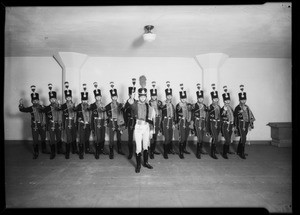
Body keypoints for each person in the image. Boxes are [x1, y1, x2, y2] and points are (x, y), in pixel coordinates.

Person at [124, 75, 154, 173]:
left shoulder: (148, 105)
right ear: (139, 96)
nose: (143, 98)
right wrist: (131, 98)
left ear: (146, 96)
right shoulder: (135, 104)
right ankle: (138, 165)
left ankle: (145, 162)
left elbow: (150, 118)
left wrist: (151, 130)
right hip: (138, 128)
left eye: (144, 96)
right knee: (138, 147)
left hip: (146, 127)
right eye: (141, 96)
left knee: (145, 146)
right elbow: (131, 104)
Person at [19, 85, 48, 159]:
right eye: (34, 101)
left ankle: (44, 150)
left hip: (42, 125)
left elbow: (47, 110)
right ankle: (36, 152)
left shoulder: (42, 107)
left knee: (43, 138)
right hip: (35, 126)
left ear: (39, 100)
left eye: (37, 100)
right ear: (32, 101)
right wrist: (21, 104)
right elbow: (23, 110)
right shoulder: (31, 108)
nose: (35, 102)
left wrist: (43, 106)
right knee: (35, 140)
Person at [41, 83, 64, 159]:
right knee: (52, 139)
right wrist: (41, 106)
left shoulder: (59, 107)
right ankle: (53, 152)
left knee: (59, 137)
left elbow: (61, 110)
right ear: (49, 100)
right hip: (51, 125)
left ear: (56, 99)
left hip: (58, 124)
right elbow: (42, 111)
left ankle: (59, 150)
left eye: (54, 99)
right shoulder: (47, 108)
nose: (53, 100)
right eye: (51, 99)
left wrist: (60, 105)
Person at [234, 84, 255, 159]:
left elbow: (250, 115)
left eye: (244, 100)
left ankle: (239, 151)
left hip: (246, 124)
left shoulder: (247, 107)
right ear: (239, 100)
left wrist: (250, 124)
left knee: (243, 137)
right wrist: (240, 111)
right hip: (240, 124)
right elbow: (235, 115)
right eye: (242, 100)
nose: (243, 101)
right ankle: (241, 153)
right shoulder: (237, 107)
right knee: (243, 138)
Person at [105, 82, 126, 159]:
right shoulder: (108, 106)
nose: (114, 98)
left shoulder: (120, 104)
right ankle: (111, 152)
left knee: (119, 137)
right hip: (112, 123)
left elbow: (123, 111)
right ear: (111, 97)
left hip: (119, 123)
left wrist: (123, 104)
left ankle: (119, 150)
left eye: (115, 96)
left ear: (117, 97)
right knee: (111, 138)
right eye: (113, 97)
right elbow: (104, 112)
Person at [190, 83, 208, 159]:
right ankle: (198, 152)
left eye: (202, 98)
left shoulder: (204, 105)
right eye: (199, 98)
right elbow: (191, 111)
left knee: (202, 136)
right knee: (199, 137)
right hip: (197, 122)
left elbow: (207, 113)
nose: (201, 99)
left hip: (203, 122)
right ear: (197, 98)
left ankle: (200, 150)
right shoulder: (195, 105)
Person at [90, 82, 108, 159]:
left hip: (102, 121)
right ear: (95, 97)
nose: (98, 98)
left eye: (99, 96)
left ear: (101, 97)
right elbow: (91, 115)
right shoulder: (93, 105)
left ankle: (101, 149)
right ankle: (97, 152)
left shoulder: (103, 104)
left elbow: (105, 114)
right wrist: (92, 126)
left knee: (102, 136)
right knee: (97, 137)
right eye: (96, 97)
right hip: (96, 122)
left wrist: (105, 121)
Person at [75, 83, 93, 159]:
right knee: (81, 138)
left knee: (87, 137)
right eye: (83, 100)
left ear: (87, 100)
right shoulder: (79, 106)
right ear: (81, 100)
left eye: (86, 100)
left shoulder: (89, 106)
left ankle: (87, 150)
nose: (84, 101)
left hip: (88, 124)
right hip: (82, 124)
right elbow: (74, 111)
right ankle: (81, 152)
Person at [61, 81, 77, 159]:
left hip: (73, 121)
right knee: (68, 136)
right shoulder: (63, 105)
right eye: (67, 97)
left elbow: (76, 112)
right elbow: (60, 112)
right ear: (65, 98)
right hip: (67, 121)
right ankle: (67, 152)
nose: (68, 98)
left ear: (71, 97)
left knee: (74, 134)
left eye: (70, 97)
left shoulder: (74, 104)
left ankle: (74, 149)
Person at [176, 83, 192, 159]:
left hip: (187, 121)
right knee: (181, 137)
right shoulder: (178, 105)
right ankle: (180, 152)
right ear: (180, 99)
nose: (184, 100)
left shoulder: (188, 104)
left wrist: (189, 119)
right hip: (181, 122)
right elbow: (177, 112)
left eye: (185, 98)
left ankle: (184, 149)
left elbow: (190, 111)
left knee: (186, 136)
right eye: (182, 98)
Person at [161, 81, 176, 159]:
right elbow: (160, 108)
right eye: (168, 95)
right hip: (165, 122)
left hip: (171, 121)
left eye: (170, 95)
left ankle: (169, 150)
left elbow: (174, 114)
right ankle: (165, 152)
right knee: (166, 138)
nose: (169, 97)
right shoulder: (163, 104)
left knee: (170, 137)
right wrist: (163, 104)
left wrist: (173, 123)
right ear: (166, 96)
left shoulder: (172, 105)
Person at [148, 81, 163, 159]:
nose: (154, 97)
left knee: (156, 136)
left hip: (158, 120)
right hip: (152, 120)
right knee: (152, 137)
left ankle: (153, 150)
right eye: (152, 96)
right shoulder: (149, 102)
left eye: (155, 95)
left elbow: (161, 109)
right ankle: (150, 151)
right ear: (151, 96)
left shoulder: (159, 102)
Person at [123, 78, 137, 160]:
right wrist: (125, 123)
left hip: (137, 121)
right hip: (129, 122)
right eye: (132, 94)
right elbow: (123, 113)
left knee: (138, 137)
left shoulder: (137, 102)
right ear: (129, 94)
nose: (133, 95)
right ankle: (131, 152)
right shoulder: (126, 103)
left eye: (134, 94)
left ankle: (138, 152)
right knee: (130, 138)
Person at [207, 83, 221, 159]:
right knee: (215, 137)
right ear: (212, 100)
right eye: (214, 99)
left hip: (218, 123)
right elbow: (207, 115)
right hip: (212, 123)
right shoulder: (210, 107)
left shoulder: (219, 107)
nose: (216, 100)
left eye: (217, 99)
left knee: (216, 138)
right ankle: (212, 153)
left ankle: (214, 149)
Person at [220, 85, 235, 159]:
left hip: (231, 125)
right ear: (223, 101)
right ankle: (224, 153)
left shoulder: (231, 108)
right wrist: (225, 110)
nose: (227, 102)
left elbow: (233, 117)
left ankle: (228, 150)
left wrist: (233, 125)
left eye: (228, 100)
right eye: (226, 101)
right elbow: (222, 116)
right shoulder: (223, 108)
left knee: (229, 138)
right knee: (227, 139)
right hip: (225, 125)